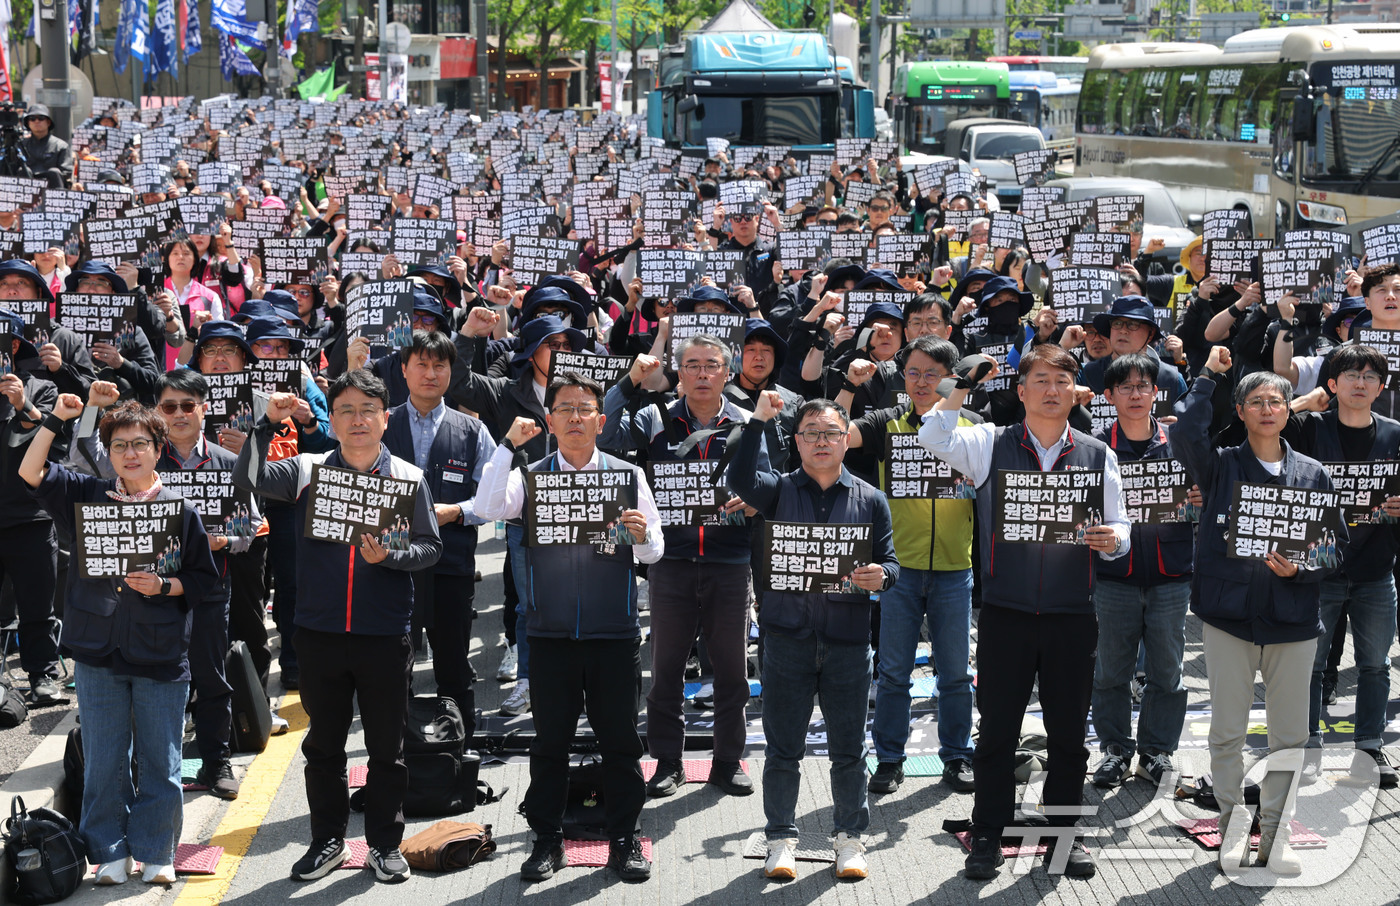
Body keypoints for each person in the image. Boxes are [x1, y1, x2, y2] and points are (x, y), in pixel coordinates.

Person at [918, 343, 1130, 881]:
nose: (1051, 390)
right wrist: (959, 385)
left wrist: (1112, 541)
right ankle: (987, 833)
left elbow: (1121, 528)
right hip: (1006, 613)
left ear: (1074, 390)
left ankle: (1063, 833)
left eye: (1062, 381)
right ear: (1022, 389)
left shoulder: (1096, 452)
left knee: (1066, 734)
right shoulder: (990, 443)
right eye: (1040, 380)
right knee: (996, 733)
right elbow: (931, 434)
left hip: (1071, 614)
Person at [234, 372, 442, 885]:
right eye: (345, 410)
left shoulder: (410, 477)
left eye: (367, 409)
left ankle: (384, 845)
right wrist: (265, 423)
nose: (356, 420)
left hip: (384, 634)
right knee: (322, 746)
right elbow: (250, 480)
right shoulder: (306, 469)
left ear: (384, 418)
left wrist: (394, 555)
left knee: (386, 749)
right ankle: (327, 840)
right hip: (319, 632)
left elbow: (431, 547)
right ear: (334, 418)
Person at [19, 394, 217, 885]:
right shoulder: (86, 496)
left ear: (158, 447)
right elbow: (30, 471)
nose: (130, 453)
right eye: (120, 445)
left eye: (141, 444)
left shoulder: (180, 509)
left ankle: (156, 850)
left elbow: (205, 581)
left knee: (161, 761)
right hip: (95, 650)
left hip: (161, 651)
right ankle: (107, 849)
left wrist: (166, 585)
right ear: (106, 452)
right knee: (105, 760)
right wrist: (56, 417)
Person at [474, 373, 663, 884]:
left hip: (614, 634)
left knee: (621, 742)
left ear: (601, 421)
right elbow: (489, 508)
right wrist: (506, 447)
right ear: (549, 420)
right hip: (551, 635)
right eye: (565, 409)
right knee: (550, 744)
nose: (575, 417)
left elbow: (655, 551)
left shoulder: (627, 474)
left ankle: (625, 840)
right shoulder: (530, 475)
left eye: (585, 409)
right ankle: (546, 840)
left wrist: (642, 539)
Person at [1171, 346, 1339, 875]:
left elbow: (1333, 550)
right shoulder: (1219, 466)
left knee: (1290, 738)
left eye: (1277, 401)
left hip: (1293, 624)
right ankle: (1231, 830)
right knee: (1227, 734)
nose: (1268, 408)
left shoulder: (1313, 473)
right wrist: (1207, 378)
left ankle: (1276, 836)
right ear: (1240, 411)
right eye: (1256, 401)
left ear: (1290, 410)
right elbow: (1182, 435)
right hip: (1228, 621)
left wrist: (1302, 569)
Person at [729, 393, 898, 881]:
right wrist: (760, 421)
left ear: (847, 439)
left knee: (849, 749)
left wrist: (880, 578)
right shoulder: (776, 491)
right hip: (786, 639)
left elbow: (892, 564)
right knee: (784, 749)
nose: (821, 442)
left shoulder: (871, 498)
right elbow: (739, 478)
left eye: (830, 433)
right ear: (796, 441)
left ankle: (849, 839)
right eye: (810, 433)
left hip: (848, 641)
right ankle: (779, 838)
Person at [70, 373, 261, 801]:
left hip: (207, 590)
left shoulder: (229, 462)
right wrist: (91, 409)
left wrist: (222, 541)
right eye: (169, 406)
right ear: (158, 414)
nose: (178, 413)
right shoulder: (140, 456)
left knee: (211, 678)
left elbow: (251, 529)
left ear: (203, 408)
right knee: (145, 684)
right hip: (143, 601)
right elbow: (83, 459)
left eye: (187, 405)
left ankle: (217, 761)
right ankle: (143, 771)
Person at [601, 335, 767, 799]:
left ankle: (728, 761)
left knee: (733, 672)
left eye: (711, 365)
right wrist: (630, 382)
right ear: (678, 373)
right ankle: (668, 762)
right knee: (666, 670)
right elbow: (607, 432)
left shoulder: (748, 422)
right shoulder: (654, 417)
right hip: (670, 563)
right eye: (691, 365)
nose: (701, 373)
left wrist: (753, 500)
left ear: (727, 373)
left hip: (729, 564)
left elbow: (770, 479)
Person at [839, 335, 980, 795]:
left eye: (933, 374)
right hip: (899, 569)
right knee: (894, 671)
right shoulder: (886, 422)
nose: (922, 383)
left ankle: (957, 755)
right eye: (914, 373)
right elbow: (835, 433)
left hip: (956, 569)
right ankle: (889, 759)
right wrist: (848, 383)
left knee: (955, 673)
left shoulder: (975, 426)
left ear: (951, 379)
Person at [1284, 344, 1400, 787]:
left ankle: (1369, 748)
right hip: (1319, 570)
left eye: (1370, 376)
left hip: (1375, 571)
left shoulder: (1394, 434)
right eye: (1350, 375)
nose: (1359, 383)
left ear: (1381, 386)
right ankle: (1308, 746)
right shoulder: (1311, 429)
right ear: (1331, 384)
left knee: (1375, 665)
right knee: (1310, 666)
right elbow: (1256, 426)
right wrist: (1301, 402)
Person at [1090, 354, 1196, 789]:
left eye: (1143, 386)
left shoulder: (1181, 441)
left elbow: (1207, 491)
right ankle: (1115, 749)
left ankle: (1156, 752)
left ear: (1157, 392)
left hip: (1172, 574)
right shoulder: (1094, 447)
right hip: (1114, 577)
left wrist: (1199, 500)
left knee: (1167, 671)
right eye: (1126, 387)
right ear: (1109, 395)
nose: (1136, 395)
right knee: (1111, 670)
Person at [382, 330, 493, 734]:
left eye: (439, 365)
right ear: (405, 370)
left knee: (453, 663)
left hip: (451, 565)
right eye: (422, 364)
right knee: (395, 664)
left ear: (450, 372)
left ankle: (462, 748)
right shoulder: (381, 423)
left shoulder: (473, 430)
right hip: (391, 567)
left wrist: (456, 512)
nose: (430, 373)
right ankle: (394, 744)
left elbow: (492, 499)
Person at [0, 310, 64, 704]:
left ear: (14, 349)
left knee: (38, 606)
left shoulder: (41, 389)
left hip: (31, 518)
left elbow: (53, 445)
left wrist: (22, 405)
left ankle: (43, 675)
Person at [20, 105, 72, 189]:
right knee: (23, 170)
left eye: (41, 118)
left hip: (53, 189)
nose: (36, 121)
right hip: (26, 190)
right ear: (28, 123)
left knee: (54, 171)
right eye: (32, 119)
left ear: (48, 122)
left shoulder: (61, 146)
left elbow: (66, 171)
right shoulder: (20, 145)